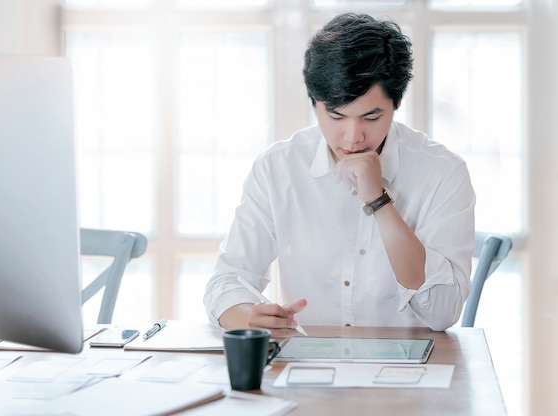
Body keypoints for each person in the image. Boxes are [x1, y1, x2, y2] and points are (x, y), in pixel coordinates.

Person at [203, 12, 475, 336]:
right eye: (336, 116)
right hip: (307, 371)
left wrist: (379, 201)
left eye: (371, 117)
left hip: (410, 373)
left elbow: (443, 313)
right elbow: (226, 282)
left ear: (397, 101)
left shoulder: (443, 173)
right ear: (315, 103)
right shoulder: (278, 169)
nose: (352, 137)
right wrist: (250, 317)